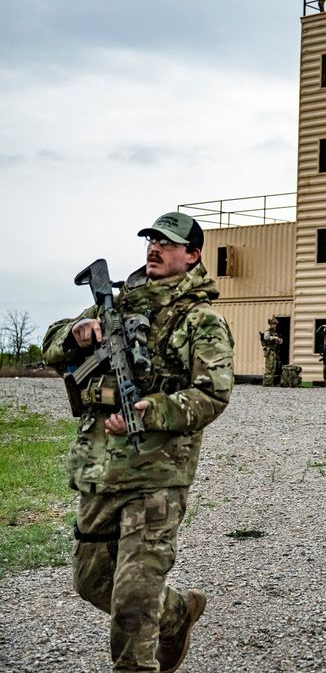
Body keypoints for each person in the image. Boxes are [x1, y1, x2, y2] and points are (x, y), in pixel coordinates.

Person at [41, 211, 233, 673]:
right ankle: (177, 613)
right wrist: (75, 333)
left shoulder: (201, 320)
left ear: (192, 255)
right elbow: (50, 346)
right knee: (91, 581)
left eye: (167, 243)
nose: (155, 247)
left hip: (157, 474)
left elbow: (213, 393)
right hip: (100, 469)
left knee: (132, 603)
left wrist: (154, 411)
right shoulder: (118, 303)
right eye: (151, 239)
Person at [260, 316, 283, 386]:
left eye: (275, 324)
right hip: (269, 351)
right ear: (270, 324)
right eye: (273, 324)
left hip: (275, 351)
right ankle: (267, 383)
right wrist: (274, 338)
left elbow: (280, 342)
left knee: (274, 367)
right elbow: (266, 337)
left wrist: (279, 340)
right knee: (269, 367)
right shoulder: (268, 332)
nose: (274, 325)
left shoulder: (276, 333)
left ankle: (271, 382)